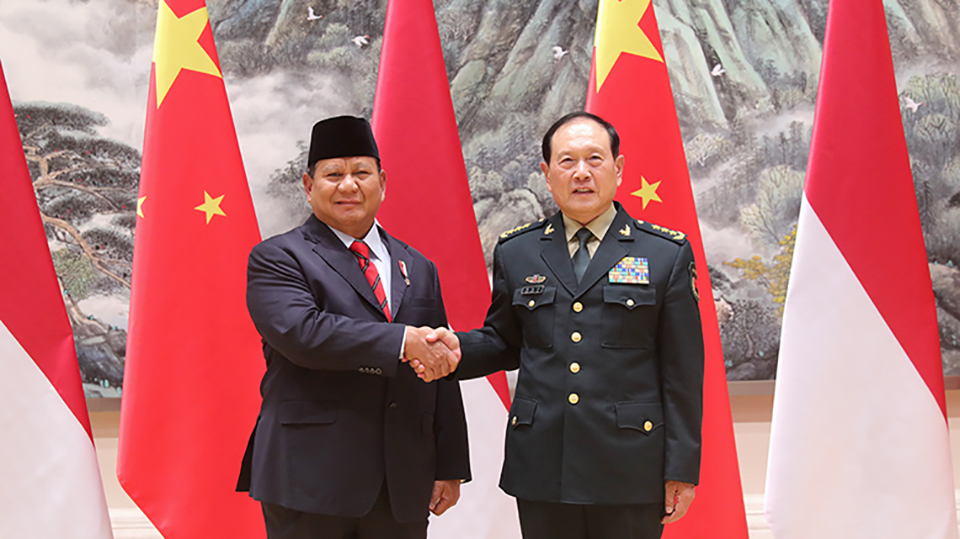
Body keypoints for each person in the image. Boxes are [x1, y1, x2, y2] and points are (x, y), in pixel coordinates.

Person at [445, 112, 704, 539]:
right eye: (567, 161)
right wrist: (450, 351)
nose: (581, 173)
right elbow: (504, 341)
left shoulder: (665, 253)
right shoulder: (518, 251)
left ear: (618, 169)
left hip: (631, 466)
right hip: (544, 464)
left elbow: (683, 372)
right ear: (547, 175)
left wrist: (681, 468)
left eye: (594, 159)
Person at [237, 115, 470, 539]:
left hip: (402, 480)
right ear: (309, 186)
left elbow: (439, 367)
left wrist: (450, 464)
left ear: (382, 182)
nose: (349, 185)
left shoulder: (419, 266)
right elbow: (304, 334)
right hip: (309, 478)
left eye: (361, 172)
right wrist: (402, 341)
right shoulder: (278, 257)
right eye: (333, 174)